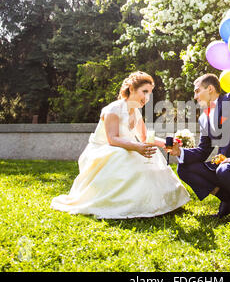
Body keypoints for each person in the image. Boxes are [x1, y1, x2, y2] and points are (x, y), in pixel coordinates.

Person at [51, 71, 190, 219]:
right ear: (131, 89)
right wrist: (136, 147)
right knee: (123, 154)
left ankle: (153, 202)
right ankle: (121, 202)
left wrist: (165, 144)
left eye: (149, 93)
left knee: (153, 152)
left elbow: (144, 137)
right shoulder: (113, 109)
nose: (147, 98)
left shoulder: (135, 112)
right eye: (144, 92)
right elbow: (113, 139)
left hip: (124, 147)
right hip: (103, 150)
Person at [169, 73, 230, 233]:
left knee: (224, 169)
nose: (194, 96)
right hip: (223, 169)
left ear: (211, 89)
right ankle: (229, 200)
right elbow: (202, 151)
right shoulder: (203, 119)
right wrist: (180, 152)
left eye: (197, 91)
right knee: (184, 168)